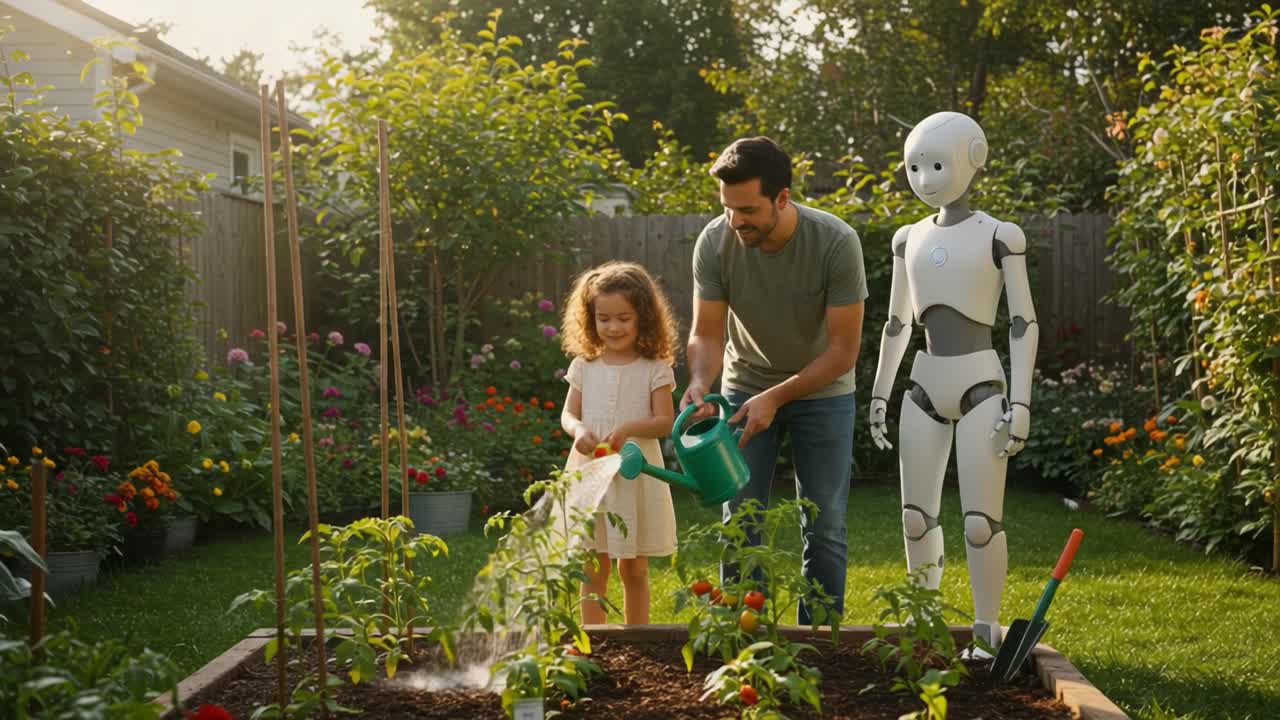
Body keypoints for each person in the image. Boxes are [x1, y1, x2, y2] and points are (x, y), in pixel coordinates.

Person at [867, 111, 1037, 651]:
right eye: (915, 167)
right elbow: (896, 323)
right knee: (915, 517)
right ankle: (922, 622)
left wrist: (1023, 402)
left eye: (937, 164)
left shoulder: (1000, 237)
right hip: (922, 386)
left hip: (982, 387)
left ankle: (986, 631)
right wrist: (880, 392)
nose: (926, 178)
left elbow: (1022, 322)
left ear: (974, 159)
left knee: (980, 523)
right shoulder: (907, 239)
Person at [682, 136, 867, 624]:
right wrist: (701, 383)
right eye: (727, 208)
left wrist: (777, 397)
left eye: (747, 209)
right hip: (744, 386)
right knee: (741, 517)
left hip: (824, 392)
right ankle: (746, 638)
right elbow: (705, 333)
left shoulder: (835, 242)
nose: (735, 220)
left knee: (824, 520)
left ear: (782, 198)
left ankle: (820, 638)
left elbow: (843, 352)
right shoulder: (715, 242)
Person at [559, 261, 681, 625]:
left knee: (633, 567)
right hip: (591, 474)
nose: (613, 327)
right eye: (604, 318)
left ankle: (636, 638)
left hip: (634, 474)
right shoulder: (584, 365)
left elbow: (665, 423)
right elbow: (568, 415)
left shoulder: (655, 367)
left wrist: (627, 428)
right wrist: (579, 431)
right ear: (590, 318)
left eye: (624, 318)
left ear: (643, 317)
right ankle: (594, 639)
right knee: (593, 564)